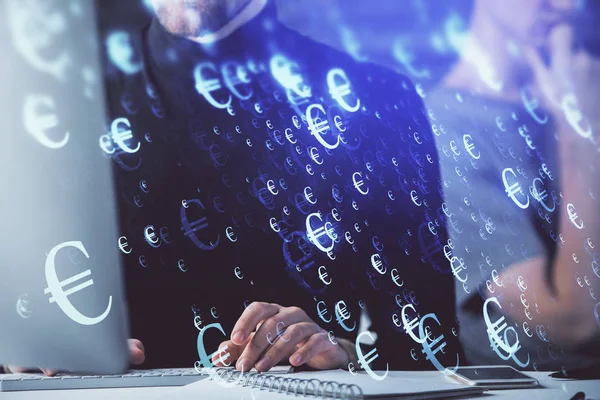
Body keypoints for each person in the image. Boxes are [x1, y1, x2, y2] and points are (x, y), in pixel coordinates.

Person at [3, 0, 458, 376]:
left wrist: (341, 354)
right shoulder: (52, 109)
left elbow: (431, 349)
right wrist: (21, 358)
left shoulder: (380, 101)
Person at [428, 0, 600, 370]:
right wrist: (581, 133)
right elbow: (571, 321)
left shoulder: (584, 93)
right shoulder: (445, 129)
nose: (567, 5)